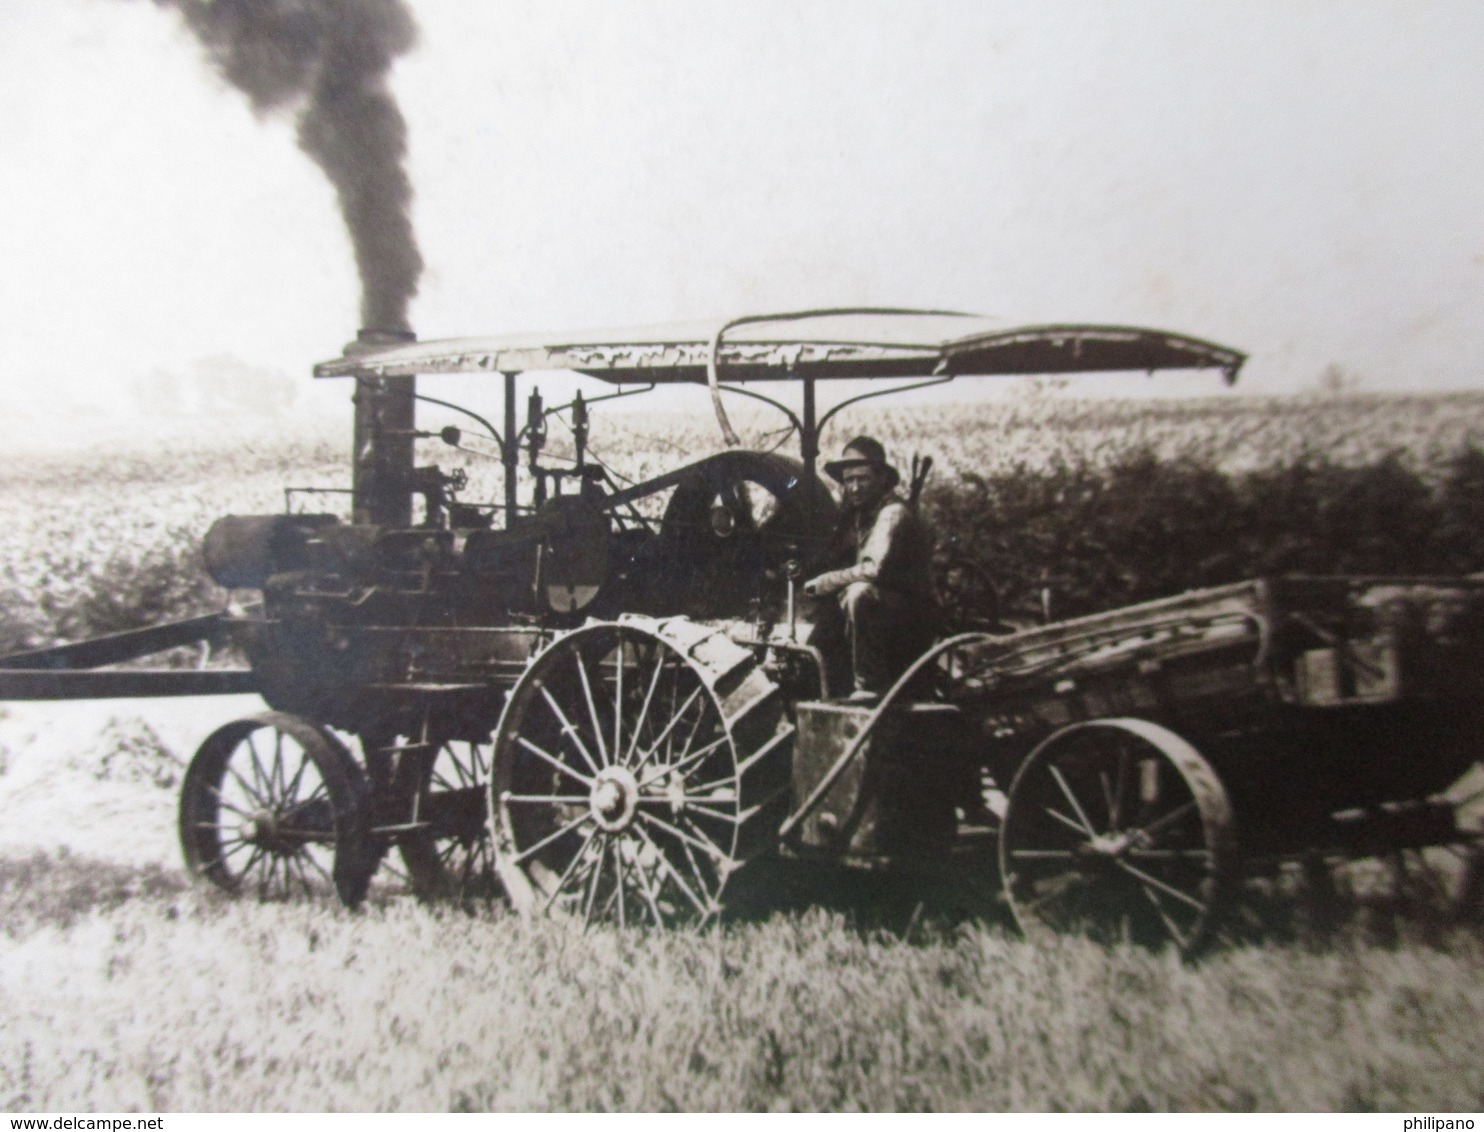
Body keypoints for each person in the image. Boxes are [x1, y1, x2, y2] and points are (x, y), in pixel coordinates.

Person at [804, 436, 939, 702]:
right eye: (848, 480)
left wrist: (826, 581)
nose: (853, 487)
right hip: (884, 611)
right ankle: (818, 685)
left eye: (862, 479)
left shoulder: (892, 514)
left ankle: (870, 687)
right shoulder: (857, 518)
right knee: (829, 614)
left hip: (913, 615)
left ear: (881, 479)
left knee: (859, 593)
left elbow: (872, 569)